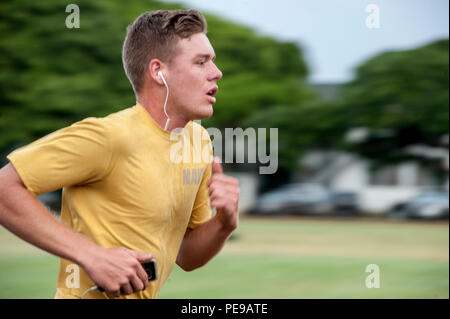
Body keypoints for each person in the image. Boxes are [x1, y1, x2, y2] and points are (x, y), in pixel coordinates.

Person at [0, 9, 239, 299]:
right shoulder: (107, 137)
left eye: (212, 62)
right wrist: (92, 256)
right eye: (201, 62)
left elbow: (186, 255)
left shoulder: (198, 141)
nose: (217, 73)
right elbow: (4, 189)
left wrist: (224, 223)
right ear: (158, 72)